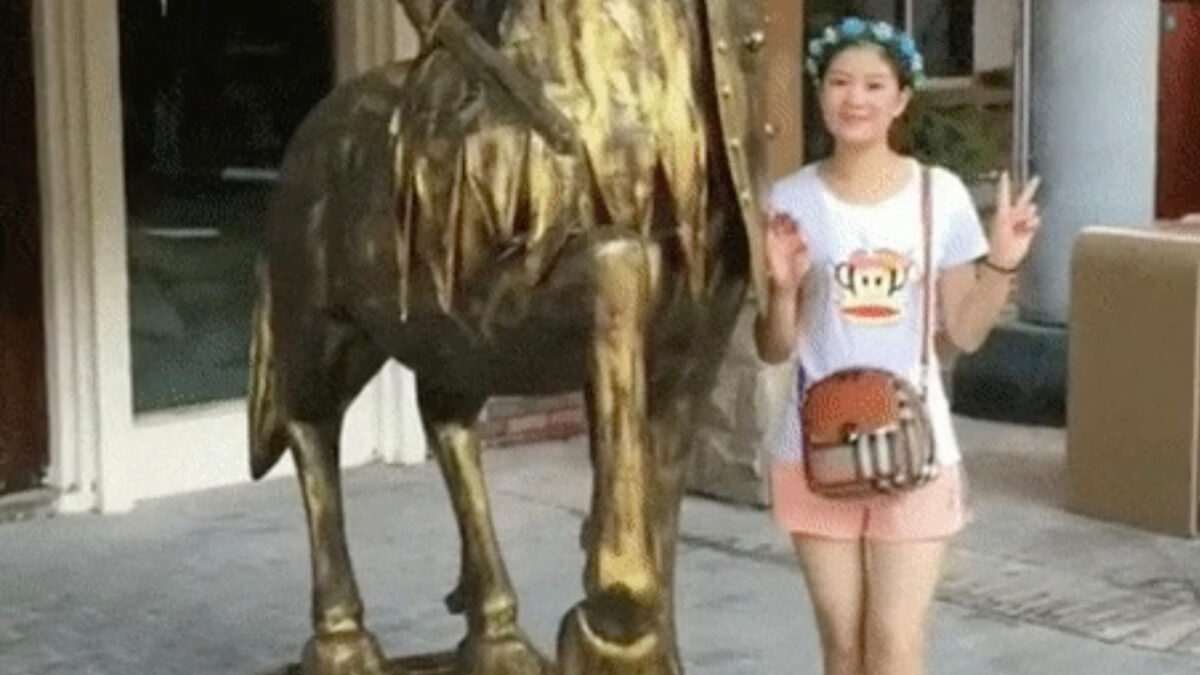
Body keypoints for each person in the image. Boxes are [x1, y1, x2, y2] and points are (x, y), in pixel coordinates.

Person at [754, 16, 1041, 675]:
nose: (854, 98)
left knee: (893, 646)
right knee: (843, 647)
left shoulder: (939, 195)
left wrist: (1001, 263)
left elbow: (964, 332)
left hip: (917, 447)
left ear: (901, 98)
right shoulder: (789, 201)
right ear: (820, 92)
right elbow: (773, 347)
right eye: (839, 82)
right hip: (815, 446)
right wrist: (783, 289)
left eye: (874, 84)